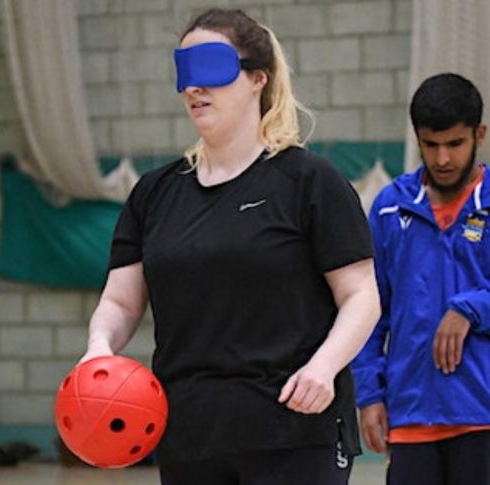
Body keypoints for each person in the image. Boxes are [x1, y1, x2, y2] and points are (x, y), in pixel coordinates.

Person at [79, 8, 380, 485]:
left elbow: (362, 295)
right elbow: (120, 300)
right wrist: (99, 348)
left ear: (258, 78)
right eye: (184, 73)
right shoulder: (154, 194)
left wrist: (324, 367)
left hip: (293, 433)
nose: (193, 88)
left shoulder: (309, 181)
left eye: (211, 69)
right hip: (189, 438)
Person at [351, 73, 490, 485]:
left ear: (479, 134)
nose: (443, 158)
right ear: (417, 139)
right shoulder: (390, 209)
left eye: (455, 144)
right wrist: (369, 394)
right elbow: (368, 310)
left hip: (483, 411)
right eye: (431, 145)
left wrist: (471, 308)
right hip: (409, 409)